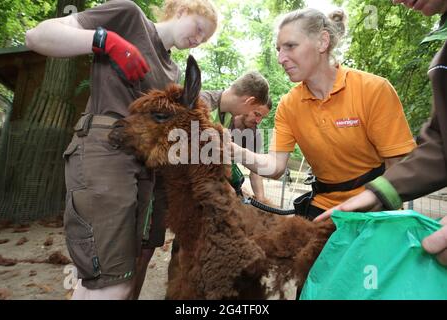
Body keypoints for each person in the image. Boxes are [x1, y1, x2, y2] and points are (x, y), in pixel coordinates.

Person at [25, 0, 218, 299]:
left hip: (143, 168)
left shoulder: (173, 70)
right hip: (106, 152)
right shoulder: (129, 17)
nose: (197, 40)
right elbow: (37, 36)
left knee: (99, 278)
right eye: (199, 29)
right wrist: (103, 40)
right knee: (114, 283)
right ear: (182, 10)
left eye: (203, 39)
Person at [231, 7, 416, 220]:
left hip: (376, 209)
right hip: (323, 211)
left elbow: (399, 167)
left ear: (322, 41)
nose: (281, 58)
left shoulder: (374, 89)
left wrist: (376, 208)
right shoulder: (289, 105)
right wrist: (234, 150)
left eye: (290, 46)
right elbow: (275, 166)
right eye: (278, 49)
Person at [315, 0, 447, 266]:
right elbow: (440, 142)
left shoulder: (372, 88)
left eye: (291, 46)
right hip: (336, 210)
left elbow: (397, 156)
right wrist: (380, 193)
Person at [200, 71, 271, 201]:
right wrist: (226, 187)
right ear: (249, 101)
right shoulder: (201, 106)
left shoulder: (227, 115)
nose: (250, 114)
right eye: (254, 111)